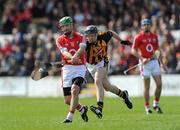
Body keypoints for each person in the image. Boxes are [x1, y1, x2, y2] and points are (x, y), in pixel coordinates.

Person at [83, 25, 133, 119]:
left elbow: (111, 32)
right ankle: (124, 95)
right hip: (91, 66)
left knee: (97, 81)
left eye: (92, 35)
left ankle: (99, 108)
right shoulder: (85, 44)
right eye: (88, 36)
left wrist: (121, 40)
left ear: (97, 34)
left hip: (103, 62)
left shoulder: (103, 36)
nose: (90, 37)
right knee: (107, 87)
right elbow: (79, 53)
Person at [56, 16, 88, 123]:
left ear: (72, 25)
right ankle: (82, 109)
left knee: (75, 89)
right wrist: (71, 57)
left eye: (67, 25)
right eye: (63, 26)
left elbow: (82, 48)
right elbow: (64, 52)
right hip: (67, 69)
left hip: (80, 68)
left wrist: (77, 55)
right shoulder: (59, 39)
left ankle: (69, 117)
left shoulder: (81, 36)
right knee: (68, 100)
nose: (65, 28)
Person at [131, 18, 166, 114]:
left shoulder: (155, 36)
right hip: (144, 64)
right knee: (147, 87)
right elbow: (133, 50)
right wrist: (142, 58)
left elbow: (158, 51)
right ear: (142, 27)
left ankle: (156, 103)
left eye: (148, 24)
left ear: (150, 26)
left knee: (159, 84)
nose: (146, 26)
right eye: (144, 25)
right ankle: (147, 107)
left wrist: (162, 64)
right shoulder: (138, 37)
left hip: (154, 62)